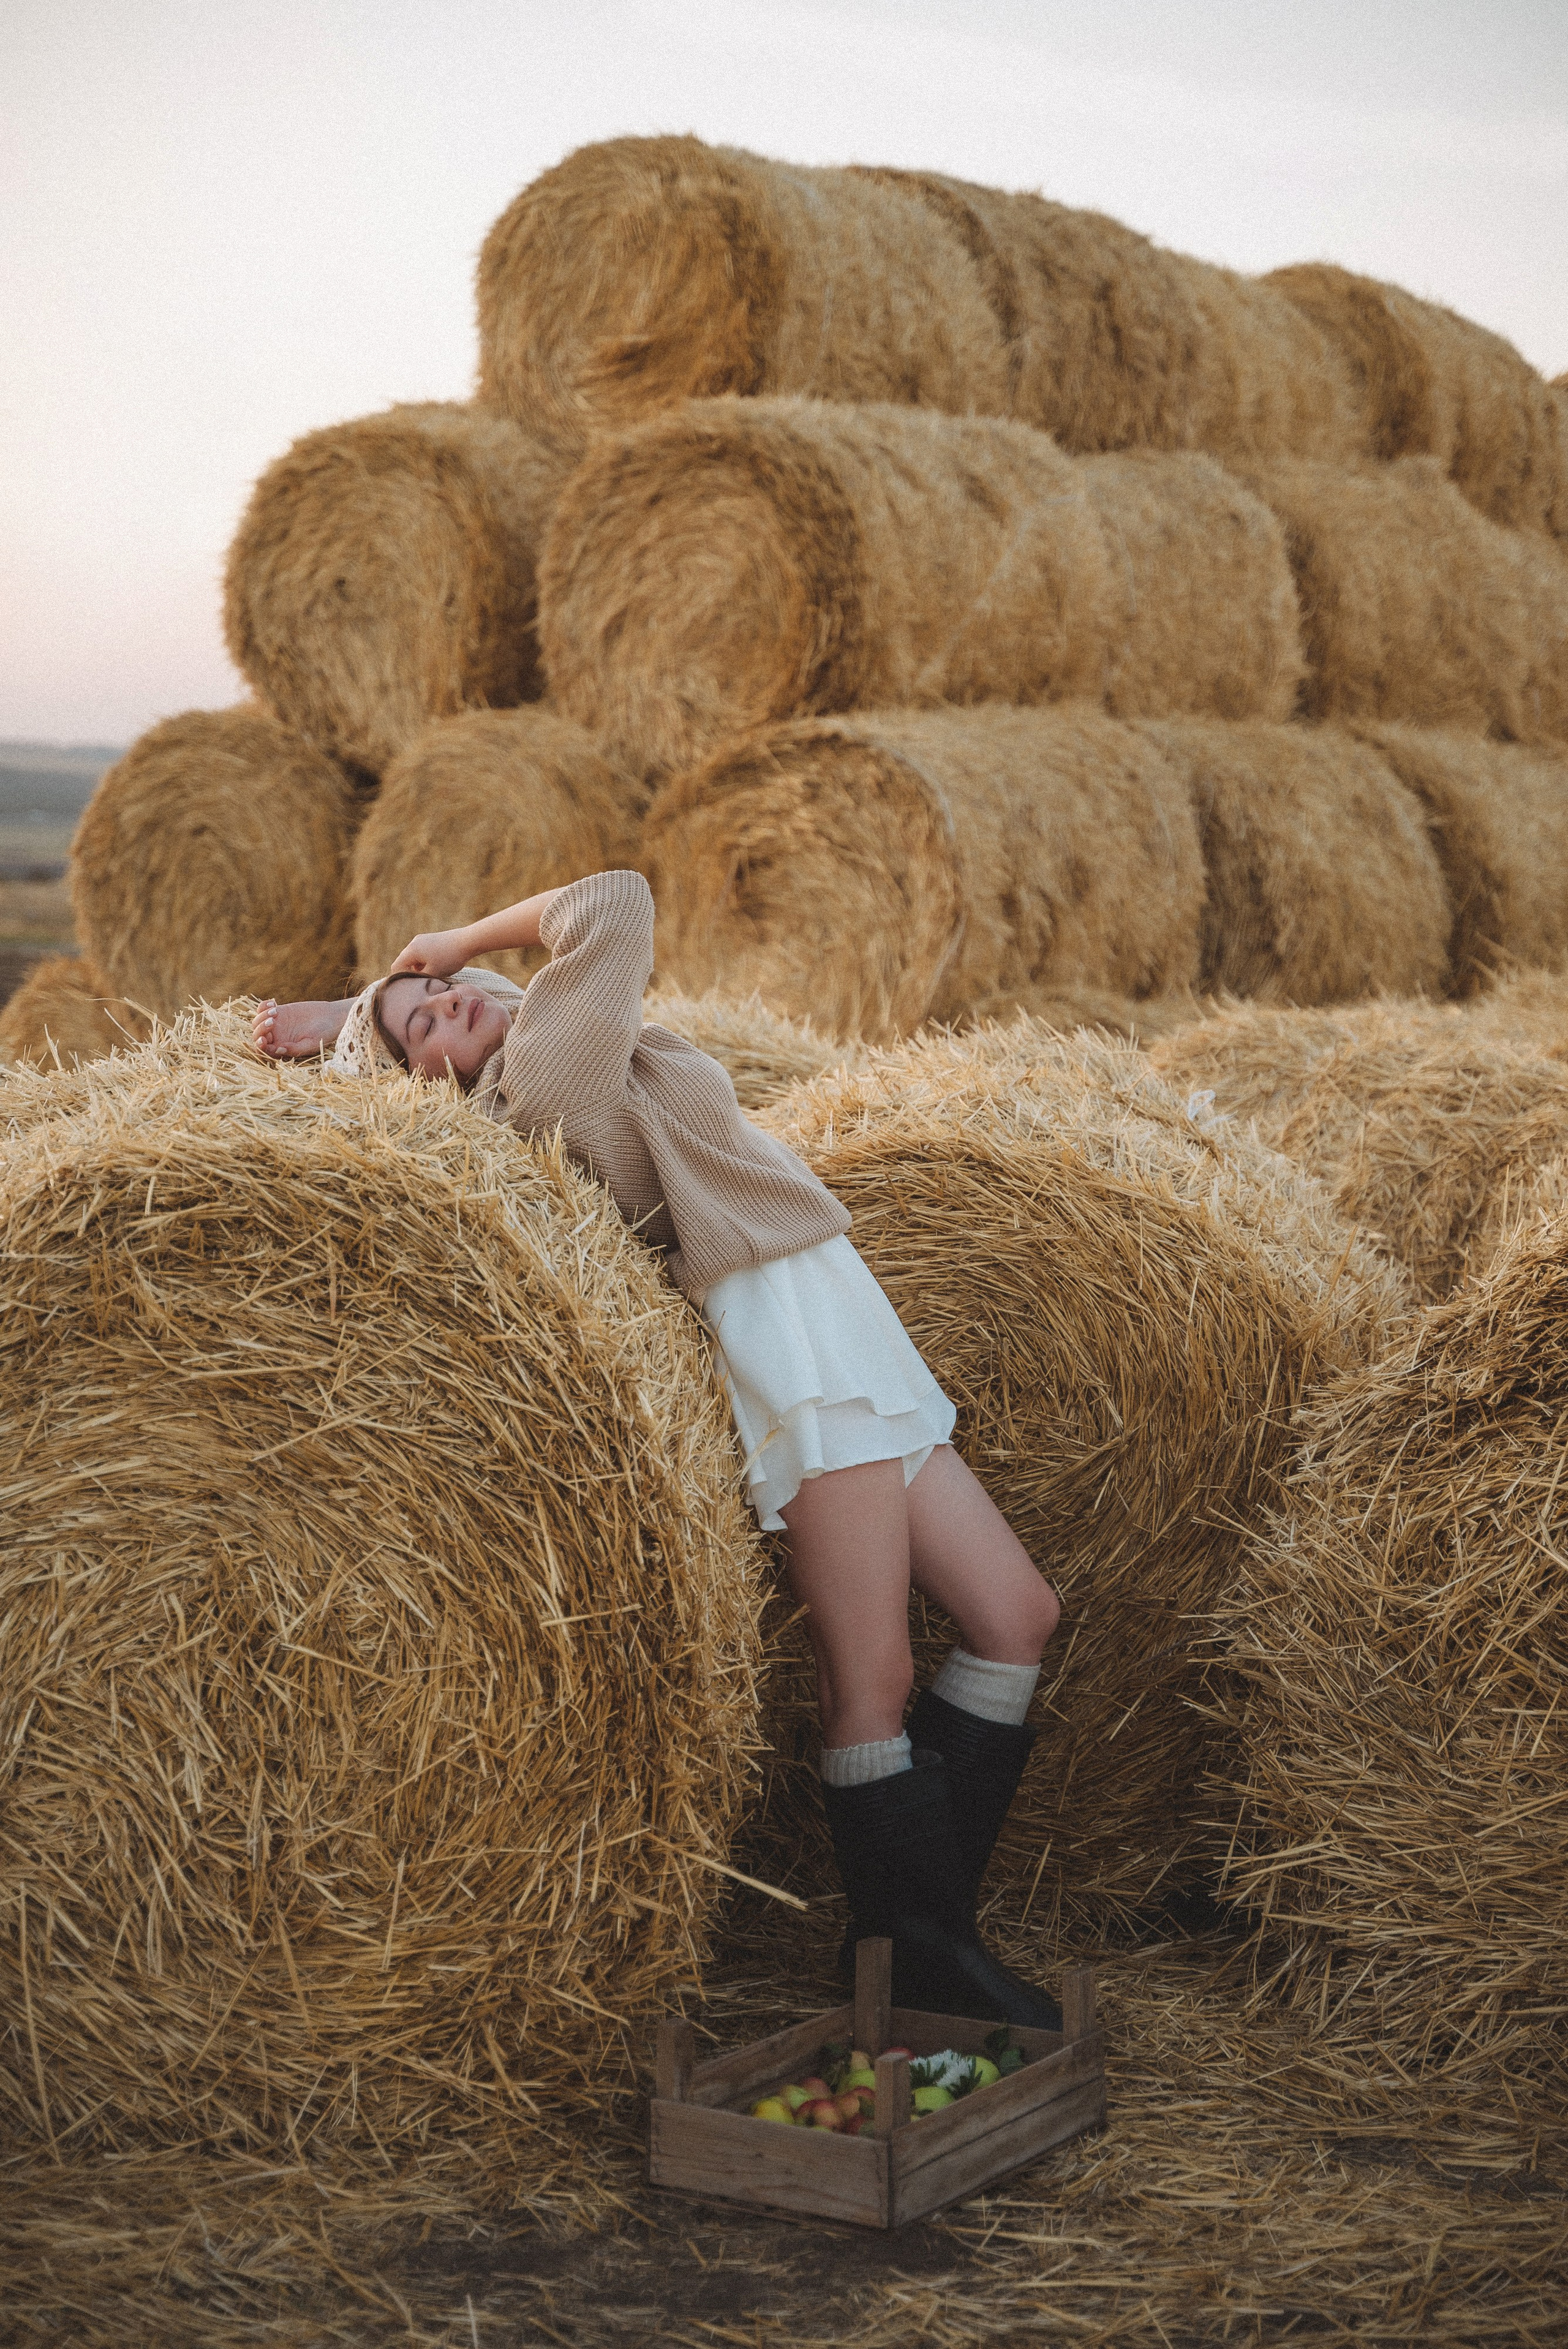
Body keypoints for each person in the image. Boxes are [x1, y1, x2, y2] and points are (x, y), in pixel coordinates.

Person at [254, 870, 1063, 2026]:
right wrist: (454, 939)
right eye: (421, 1027)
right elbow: (615, 901)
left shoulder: (576, 1043)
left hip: (842, 1328)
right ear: (428, 1084)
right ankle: (921, 1960)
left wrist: (360, 1009)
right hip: (791, 1354)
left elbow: (541, 971)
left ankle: (917, 1941)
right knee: (869, 1683)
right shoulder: (546, 1075)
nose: (447, 1006)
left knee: (1016, 1614)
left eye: (441, 991)